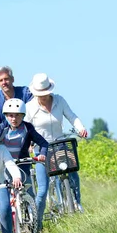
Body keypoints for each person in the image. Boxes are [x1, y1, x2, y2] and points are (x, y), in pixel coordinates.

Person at [24, 73, 88, 221]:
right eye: (40, 94)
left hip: (60, 144)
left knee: (72, 172)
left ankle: (77, 203)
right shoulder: (30, 107)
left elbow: (72, 116)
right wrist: (28, 144)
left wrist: (81, 128)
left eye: (46, 93)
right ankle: (37, 223)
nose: (44, 96)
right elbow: (25, 128)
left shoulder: (59, 101)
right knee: (43, 189)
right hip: (42, 149)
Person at [0, 98, 49, 229]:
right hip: (6, 168)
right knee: (6, 198)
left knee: (29, 194)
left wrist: (42, 154)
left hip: (23, 165)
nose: (14, 118)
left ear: (23, 115)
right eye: (10, 115)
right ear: (6, 116)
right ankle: (10, 227)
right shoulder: (2, 128)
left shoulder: (27, 128)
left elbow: (43, 143)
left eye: (18, 115)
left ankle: (35, 225)